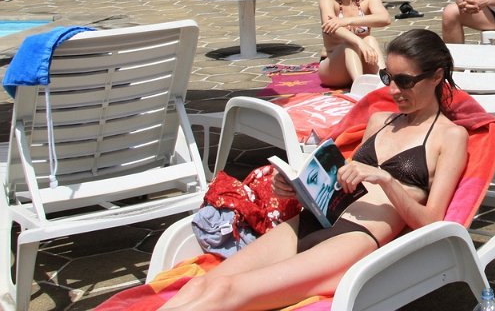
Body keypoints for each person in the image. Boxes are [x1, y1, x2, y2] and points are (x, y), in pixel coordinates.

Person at [158, 29, 469, 311]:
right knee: (202, 285)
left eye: (406, 81)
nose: (394, 90)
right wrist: (298, 189)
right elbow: (341, 184)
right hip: (313, 220)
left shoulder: (451, 137)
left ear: (436, 76)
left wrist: (387, 180)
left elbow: (432, 222)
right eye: (388, 77)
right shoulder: (379, 121)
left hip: (354, 239)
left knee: (227, 292)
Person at [317, 0, 391, 88]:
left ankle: (384, 81)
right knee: (350, 43)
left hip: (361, 62)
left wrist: (348, 21)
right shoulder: (327, 0)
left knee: (370, 39)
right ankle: (359, 86)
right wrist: (359, 42)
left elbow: (385, 19)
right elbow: (331, 27)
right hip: (333, 67)